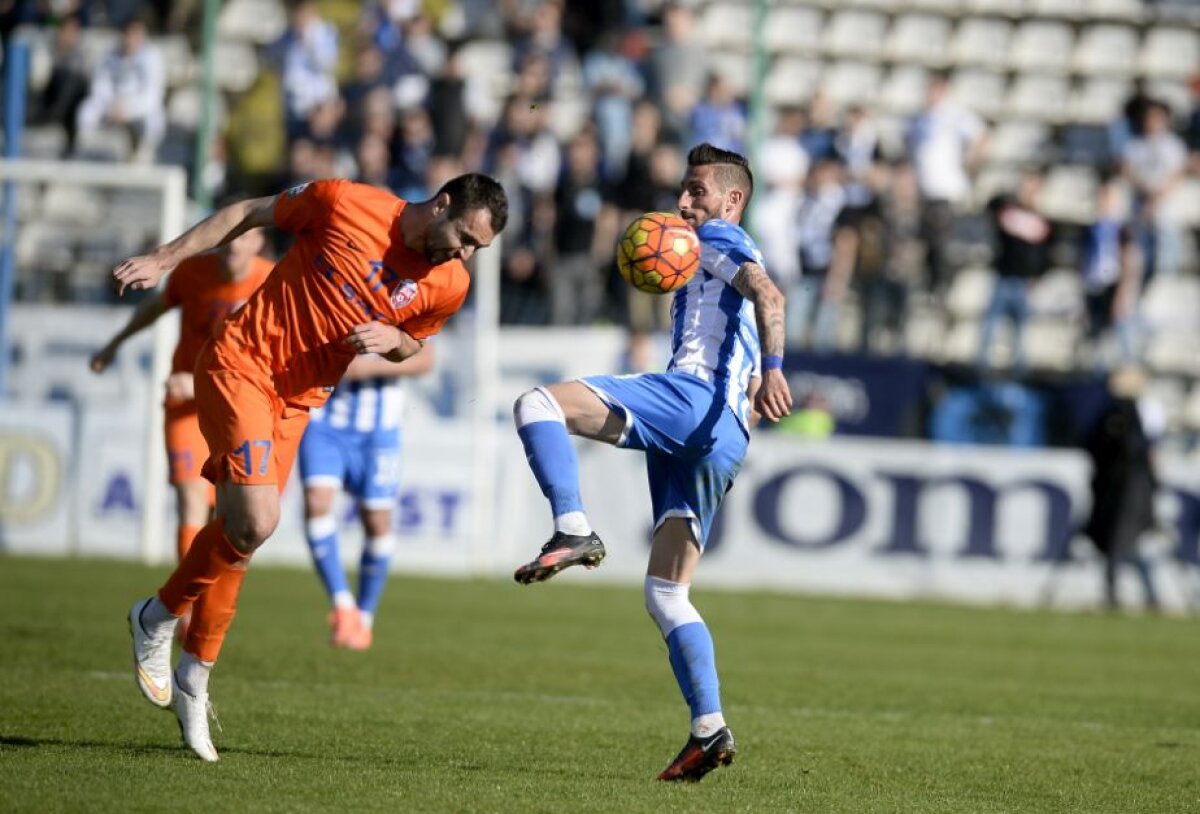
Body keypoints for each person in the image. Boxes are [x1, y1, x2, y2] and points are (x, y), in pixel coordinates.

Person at [116, 173, 507, 762]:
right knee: (258, 518)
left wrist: (391, 337)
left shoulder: (449, 284)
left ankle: (195, 674)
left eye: (478, 248)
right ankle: (159, 614)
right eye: (464, 237)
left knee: (241, 538)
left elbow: (414, 346)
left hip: (299, 402)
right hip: (241, 363)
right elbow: (248, 211)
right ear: (443, 203)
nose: (465, 254)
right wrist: (165, 257)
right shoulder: (344, 201)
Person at [510, 143, 792, 782]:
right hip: (724, 435)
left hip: (691, 401)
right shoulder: (710, 250)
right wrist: (759, 374)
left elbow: (769, 297)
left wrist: (774, 370)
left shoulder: (718, 237)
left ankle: (573, 526)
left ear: (731, 200)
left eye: (697, 190)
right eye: (683, 191)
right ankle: (709, 729)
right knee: (667, 593)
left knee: (537, 404)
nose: (685, 202)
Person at [91, 230, 272, 574]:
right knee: (190, 500)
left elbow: (273, 355)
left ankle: (208, 606)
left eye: (243, 237)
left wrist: (204, 384)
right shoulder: (191, 274)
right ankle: (184, 611)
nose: (233, 244)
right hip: (185, 406)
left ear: (258, 242)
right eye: (229, 236)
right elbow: (156, 307)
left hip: (238, 410)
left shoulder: (271, 282)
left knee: (233, 516)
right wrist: (114, 343)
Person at [299, 344, 435, 650]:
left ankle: (364, 618)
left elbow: (425, 360)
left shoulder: (405, 304)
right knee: (316, 502)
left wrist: (370, 367)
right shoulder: (334, 299)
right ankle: (342, 604)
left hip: (379, 431)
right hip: (325, 423)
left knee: (376, 520)